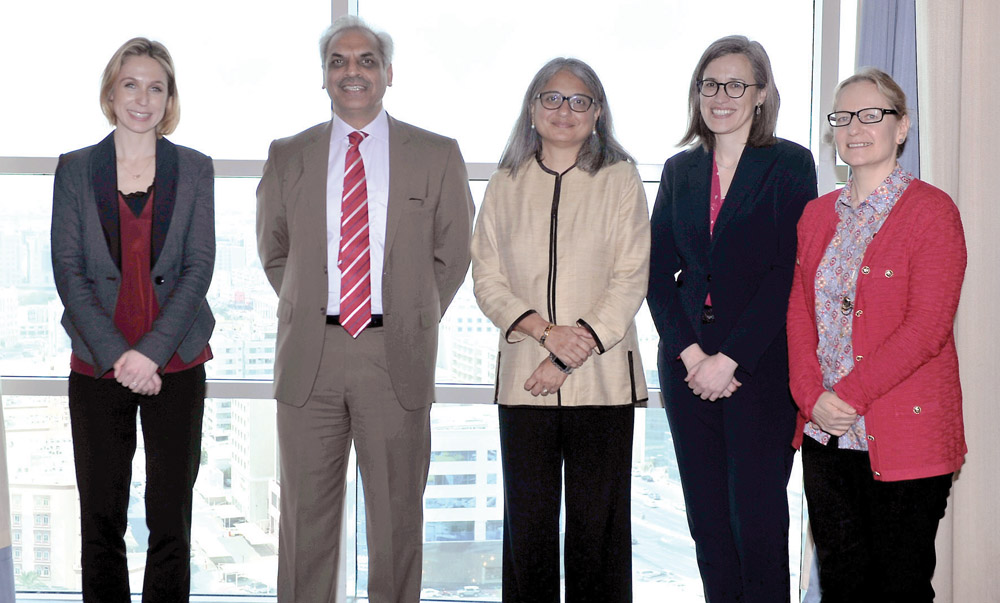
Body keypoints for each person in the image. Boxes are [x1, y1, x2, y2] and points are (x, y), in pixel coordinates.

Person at [255, 15, 474, 603]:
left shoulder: (436, 154)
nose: (352, 71)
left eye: (366, 60)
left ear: (388, 74)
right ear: (324, 76)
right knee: (304, 527)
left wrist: (406, 316)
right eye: (339, 61)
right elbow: (275, 253)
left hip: (394, 354)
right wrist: (312, 308)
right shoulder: (288, 155)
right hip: (311, 356)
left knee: (397, 525)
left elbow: (453, 255)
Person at [471, 57, 649, 603]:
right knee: (528, 531)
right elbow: (487, 278)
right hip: (525, 380)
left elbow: (631, 276)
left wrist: (572, 351)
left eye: (579, 100)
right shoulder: (504, 183)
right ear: (532, 109)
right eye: (551, 98)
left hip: (603, 382)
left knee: (599, 533)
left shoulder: (621, 179)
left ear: (598, 113)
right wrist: (547, 334)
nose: (564, 110)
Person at [647, 36, 818, 602]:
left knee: (758, 523)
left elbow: (786, 271)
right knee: (708, 525)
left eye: (736, 84)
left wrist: (730, 359)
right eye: (710, 84)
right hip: (687, 367)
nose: (721, 96)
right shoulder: (680, 169)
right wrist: (693, 356)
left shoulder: (790, 163)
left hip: (760, 367)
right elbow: (657, 274)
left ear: (761, 93)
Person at [787, 68, 966, 603]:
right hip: (825, 434)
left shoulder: (932, 211)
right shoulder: (816, 215)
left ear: (901, 126)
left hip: (905, 435)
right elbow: (800, 313)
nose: (854, 127)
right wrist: (811, 398)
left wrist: (845, 397)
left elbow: (928, 327)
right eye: (843, 117)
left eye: (871, 115)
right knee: (841, 585)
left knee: (899, 588)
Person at [51, 38, 215, 602]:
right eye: (131, 84)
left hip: (177, 362)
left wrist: (150, 354)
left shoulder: (194, 169)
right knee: (101, 520)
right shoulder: (76, 169)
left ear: (169, 99)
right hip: (98, 365)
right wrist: (119, 356)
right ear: (111, 92)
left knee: (171, 519)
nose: (142, 99)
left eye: (155, 87)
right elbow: (69, 270)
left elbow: (198, 267)